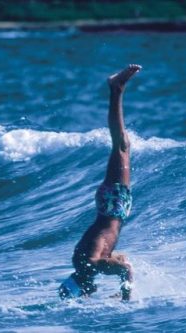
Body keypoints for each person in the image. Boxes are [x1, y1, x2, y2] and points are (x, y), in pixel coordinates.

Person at [59, 64, 142, 301]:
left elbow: (96, 256)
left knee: (121, 144)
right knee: (122, 145)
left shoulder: (87, 262)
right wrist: (117, 264)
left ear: (82, 283)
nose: (90, 291)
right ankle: (116, 89)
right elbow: (108, 256)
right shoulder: (83, 264)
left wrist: (126, 292)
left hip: (112, 205)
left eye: (86, 290)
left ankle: (116, 89)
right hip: (113, 206)